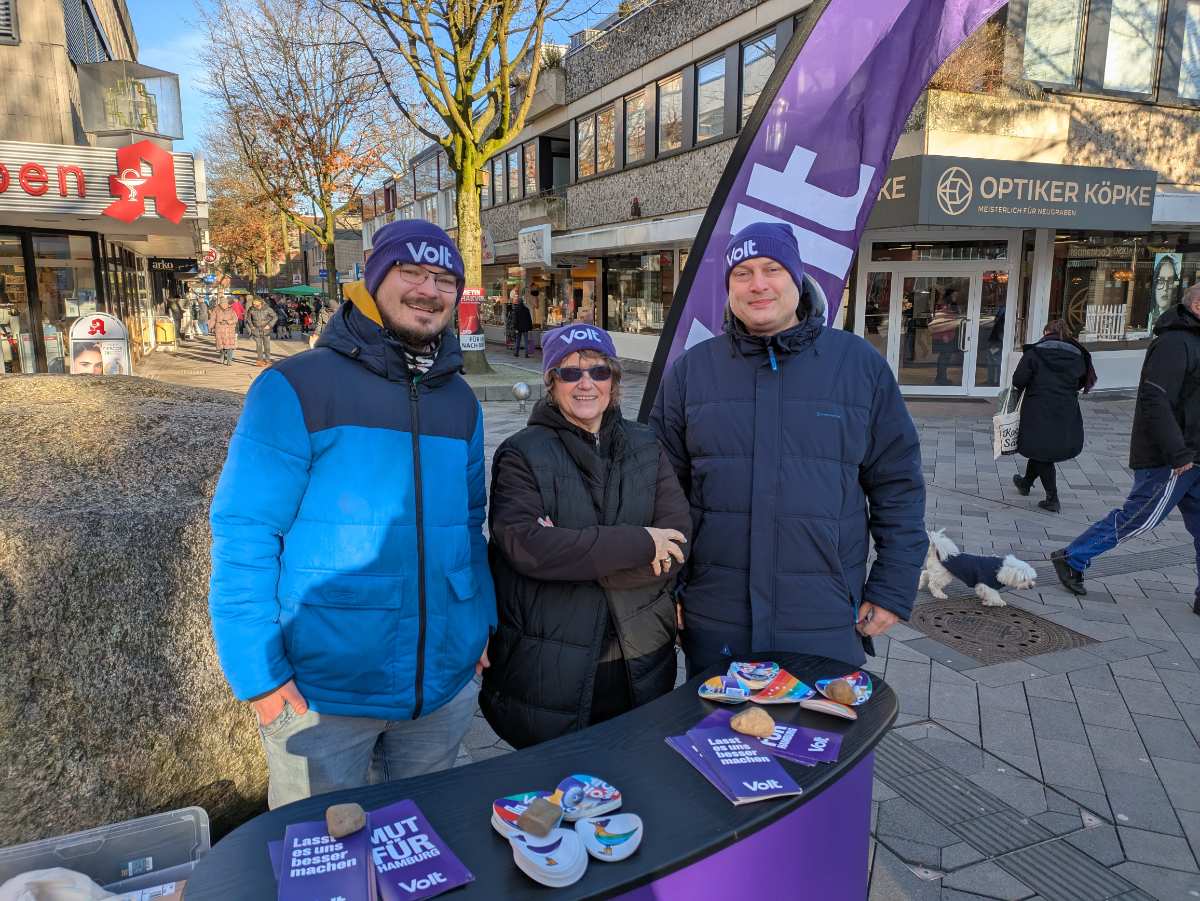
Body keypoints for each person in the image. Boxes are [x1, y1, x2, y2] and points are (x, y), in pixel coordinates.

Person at [209, 220, 495, 807]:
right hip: (323, 698)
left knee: (428, 850)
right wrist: (257, 675)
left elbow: (470, 524)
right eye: (411, 272)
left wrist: (478, 625)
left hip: (441, 687)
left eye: (445, 278)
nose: (428, 290)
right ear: (372, 278)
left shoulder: (460, 401)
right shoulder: (294, 386)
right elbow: (245, 533)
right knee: (323, 867)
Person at [651, 222, 927, 671]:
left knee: (826, 738)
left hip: (825, 613)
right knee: (718, 736)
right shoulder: (691, 372)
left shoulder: (858, 366)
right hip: (716, 613)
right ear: (729, 288)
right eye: (742, 273)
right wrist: (667, 592)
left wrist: (892, 588)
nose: (758, 284)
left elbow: (898, 487)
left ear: (796, 278)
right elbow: (660, 494)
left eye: (772, 268)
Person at [481, 324, 691, 749]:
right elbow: (526, 547)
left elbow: (676, 544)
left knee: (638, 783)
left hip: (639, 655)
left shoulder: (647, 445)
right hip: (549, 664)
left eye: (598, 372)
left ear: (614, 381)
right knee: (552, 795)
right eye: (570, 372)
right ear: (550, 382)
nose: (585, 383)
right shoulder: (521, 453)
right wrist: (639, 543)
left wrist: (573, 552)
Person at [1053, 284, 1200, 611]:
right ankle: (1073, 557)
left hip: (1194, 455)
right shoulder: (1175, 343)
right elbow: (1155, 398)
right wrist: (1177, 452)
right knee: (1140, 518)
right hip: (1173, 457)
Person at [1011, 320, 1097, 513]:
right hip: (1065, 408)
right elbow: (1082, 381)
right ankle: (1025, 483)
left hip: (1038, 408)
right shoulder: (1079, 354)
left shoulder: (1035, 352)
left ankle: (1052, 498)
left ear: (1046, 331)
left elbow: (1019, 380)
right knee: (1043, 448)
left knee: (1042, 451)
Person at [245, 296, 278, 367]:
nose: (255, 307)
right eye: (254, 305)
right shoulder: (251, 309)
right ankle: (260, 361)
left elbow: (275, 317)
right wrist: (251, 327)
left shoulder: (267, 309)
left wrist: (269, 325)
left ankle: (267, 360)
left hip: (266, 330)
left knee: (267, 346)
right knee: (259, 346)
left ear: (261, 303)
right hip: (256, 330)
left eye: (257, 305)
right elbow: (248, 319)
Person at [212, 295, 239, 365]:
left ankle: (229, 360)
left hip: (229, 330)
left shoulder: (231, 310)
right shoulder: (216, 310)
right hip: (219, 330)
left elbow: (235, 319)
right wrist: (211, 327)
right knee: (222, 346)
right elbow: (212, 319)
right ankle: (222, 356)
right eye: (222, 303)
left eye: (225, 303)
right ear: (220, 304)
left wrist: (229, 321)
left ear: (227, 304)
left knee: (230, 346)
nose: (224, 305)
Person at [513, 292, 534, 358]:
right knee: (526, 341)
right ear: (523, 302)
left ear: (518, 302)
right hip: (525, 327)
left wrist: (515, 327)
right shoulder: (526, 309)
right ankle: (526, 354)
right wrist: (530, 327)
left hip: (518, 327)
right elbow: (529, 319)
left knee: (518, 340)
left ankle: (516, 353)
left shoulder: (516, 310)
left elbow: (515, 320)